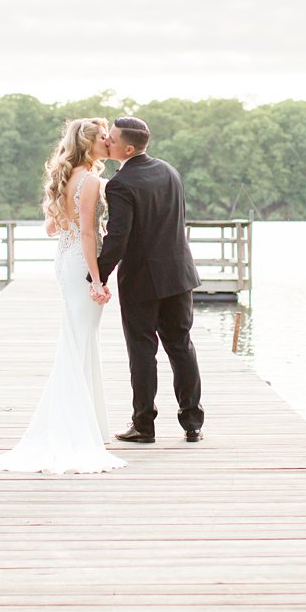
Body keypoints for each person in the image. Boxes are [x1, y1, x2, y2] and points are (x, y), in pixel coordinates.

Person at [0, 118, 126, 474]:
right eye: (103, 139)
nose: (107, 143)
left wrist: (76, 225)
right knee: (79, 341)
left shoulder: (65, 177)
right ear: (91, 145)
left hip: (63, 260)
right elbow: (89, 234)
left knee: (78, 340)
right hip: (80, 263)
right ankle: (72, 429)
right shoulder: (91, 181)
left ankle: (89, 424)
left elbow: (52, 227)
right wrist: (97, 279)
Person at [92, 116, 205, 444]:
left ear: (127, 147)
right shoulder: (169, 171)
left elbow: (118, 238)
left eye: (111, 138)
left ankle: (144, 425)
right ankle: (193, 423)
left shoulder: (120, 184)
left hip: (142, 280)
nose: (106, 141)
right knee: (181, 346)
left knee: (142, 352)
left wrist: (97, 275)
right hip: (179, 274)